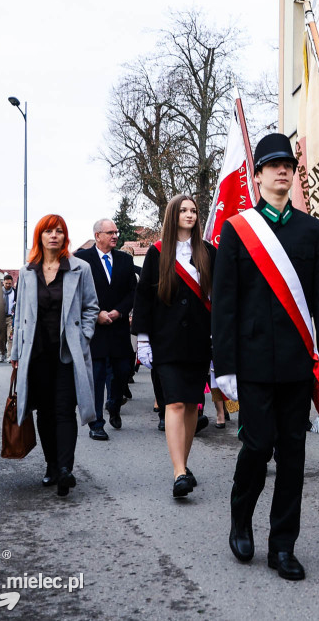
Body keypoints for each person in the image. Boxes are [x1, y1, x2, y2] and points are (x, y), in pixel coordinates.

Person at [212, 133, 319, 581]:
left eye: (289, 165)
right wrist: (223, 365)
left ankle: (283, 545)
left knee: (294, 456)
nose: (283, 171)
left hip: (297, 361)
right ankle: (240, 516)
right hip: (252, 362)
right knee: (257, 446)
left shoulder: (310, 230)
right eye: (273, 165)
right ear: (258, 174)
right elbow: (224, 301)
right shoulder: (238, 228)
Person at [10, 214, 99, 496]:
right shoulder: (27, 272)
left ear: (65, 237)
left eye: (59, 231)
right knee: (44, 412)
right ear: (40, 236)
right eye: (48, 231)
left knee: (64, 410)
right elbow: (20, 314)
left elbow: (91, 307)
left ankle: (65, 469)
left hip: (67, 353)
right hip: (35, 353)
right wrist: (15, 352)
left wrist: (83, 336)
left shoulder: (79, 268)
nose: (54, 236)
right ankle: (50, 464)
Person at [133, 194, 215, 498]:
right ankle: (179, 472)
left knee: (193, 404)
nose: (190, 215)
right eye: (184, 210)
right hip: (165, 341)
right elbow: (144, 297)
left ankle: (185, 461)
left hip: (198, 341)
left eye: (193, 210)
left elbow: (218, 298)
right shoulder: (157, 253)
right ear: (173, 215)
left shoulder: (208, 252)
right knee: (175, 403)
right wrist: (142, 339)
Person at [76, 219, 137, 440]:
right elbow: (77, 293)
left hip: (118, 327)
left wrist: (119, 312)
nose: (115, 236)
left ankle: (114, 404)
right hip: (95, 329)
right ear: (97, 235)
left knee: (122, 371)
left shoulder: (125, 260)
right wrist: (97, 313)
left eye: (116, 232)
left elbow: (132, 292)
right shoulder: (82, 260)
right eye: (110, 232)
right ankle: (96, 424)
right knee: (97, 376)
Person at [0, 274, 16, 362]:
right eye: (6, 283)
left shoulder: (14, 292)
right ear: (3, 283)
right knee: (1, 339)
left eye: (10, 283)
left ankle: (9, 355)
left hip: (10, 318)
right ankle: (2, 354)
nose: (8, 285)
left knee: (10, 337)